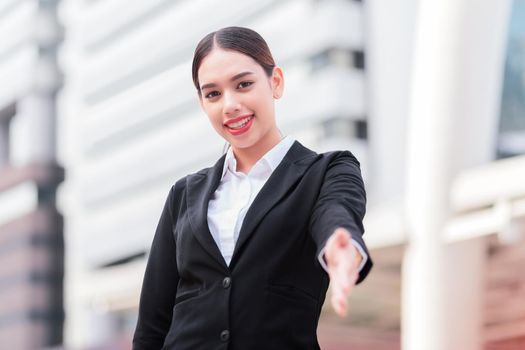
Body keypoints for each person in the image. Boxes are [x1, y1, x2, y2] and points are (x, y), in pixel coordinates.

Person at [132, 26, 373, 350]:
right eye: (213, 94)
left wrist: (341, 248)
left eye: (243, 84)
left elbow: (337, 213)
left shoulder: (326, 170)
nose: (229, 105)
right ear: (202, 102)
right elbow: (152, 323)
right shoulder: (184, 194)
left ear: (276, 82)